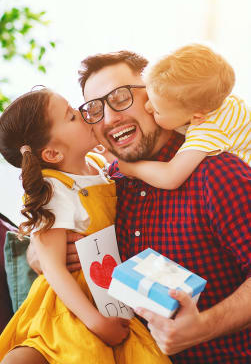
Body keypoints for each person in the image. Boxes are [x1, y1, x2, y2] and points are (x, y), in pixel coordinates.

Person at [26, 51, 250, 363]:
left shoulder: (217, 173)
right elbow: (49, 227)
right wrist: (38, 252)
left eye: (120, 97)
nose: (109, 118)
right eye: (94, 109)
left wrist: (204, 327)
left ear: (155, 94)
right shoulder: (107, 185)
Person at [0, 88, 171, 364]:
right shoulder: (53, 189)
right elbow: (54, 268)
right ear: (53, 153)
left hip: (109, 292)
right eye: (71, 116)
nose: (82, 112)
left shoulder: (96, 164)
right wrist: (96, 322)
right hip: (74, 303)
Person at [117, 44, 251, 189]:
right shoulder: (224, 101)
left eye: (157, 111)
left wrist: (132, 168)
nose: (147, 107)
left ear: (197, 118)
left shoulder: (209, 130)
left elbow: (170, 177)